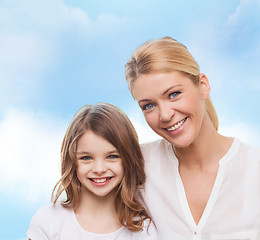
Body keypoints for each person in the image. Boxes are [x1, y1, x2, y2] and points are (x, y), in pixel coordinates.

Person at [125, 36, 260, 240]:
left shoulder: (254, 168)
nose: (165, 115)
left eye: (173, 94)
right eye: (149, 105)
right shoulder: (136, 166)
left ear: (203, 85)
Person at [27, 103, 157, 240]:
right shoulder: (48, 221)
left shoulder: (144, 230)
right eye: (86, 158)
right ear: (71, 161)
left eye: (112, 156)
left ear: (129, 159)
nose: (99, 169)